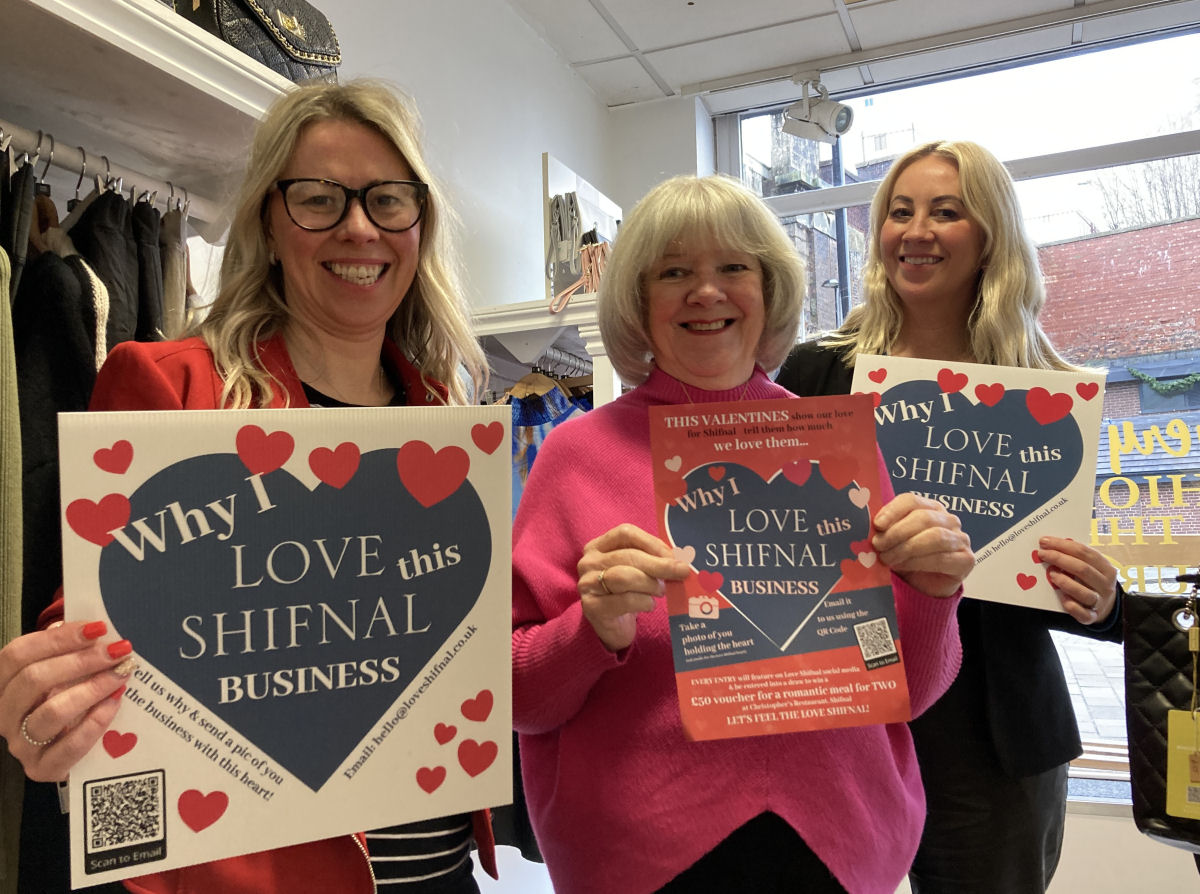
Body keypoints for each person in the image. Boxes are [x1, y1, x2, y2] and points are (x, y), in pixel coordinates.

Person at [0, 79, 497, 893]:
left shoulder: (444, 416)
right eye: (318, 198)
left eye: (388, 199)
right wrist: (51, 700)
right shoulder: (170, 385)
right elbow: (98, 620)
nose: (359, 227)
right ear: (269, 220)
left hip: (440, 867)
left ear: (420, 222)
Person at [511, 173, 974, 894]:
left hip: (840, 847)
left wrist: (936, 592)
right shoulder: (576, 456)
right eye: (674, 272)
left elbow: (907, 692)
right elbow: (515, 699)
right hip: (637, 858)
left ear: (770, 288)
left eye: (734, 267)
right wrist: (591, 629)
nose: (707, 292)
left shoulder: (836, 441)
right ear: (638, 299)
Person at [776, 139, 1122, 894]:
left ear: (990, 234)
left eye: (946, 212)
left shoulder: (1047, 392)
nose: (916, 231)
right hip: (845, 720)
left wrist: (1104, 601)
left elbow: (1060, 582)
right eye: (900, 212)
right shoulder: (814, 373)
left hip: (990, 741)